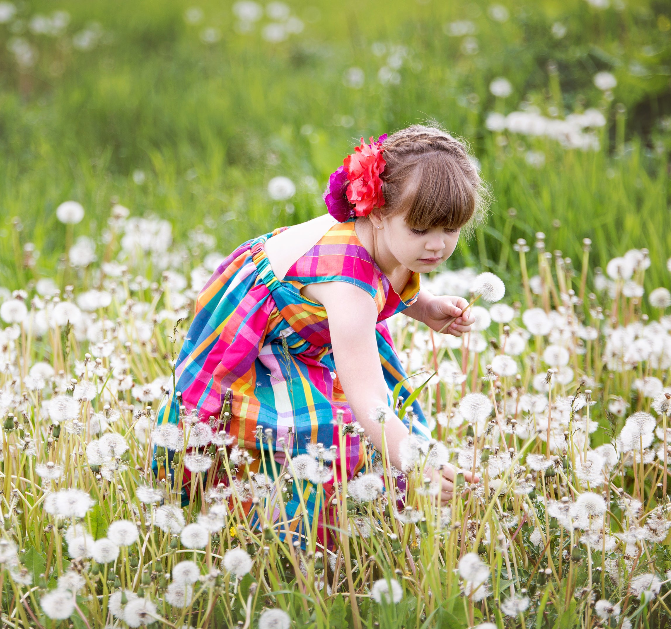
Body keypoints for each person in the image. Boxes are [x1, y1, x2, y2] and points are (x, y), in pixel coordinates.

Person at [153, 123, 489, 543]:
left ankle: (367, 510)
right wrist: (417, 463)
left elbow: (389, 275)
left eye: (451, 230)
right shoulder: (347, 292)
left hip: (315, 329)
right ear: (379, 213)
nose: (437, 246)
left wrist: (424, 307)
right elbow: (369, 397)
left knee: (377, 419)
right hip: (258, 340)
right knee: (312, 431)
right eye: (421, 230)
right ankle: (283, 531)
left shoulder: (393, 243)